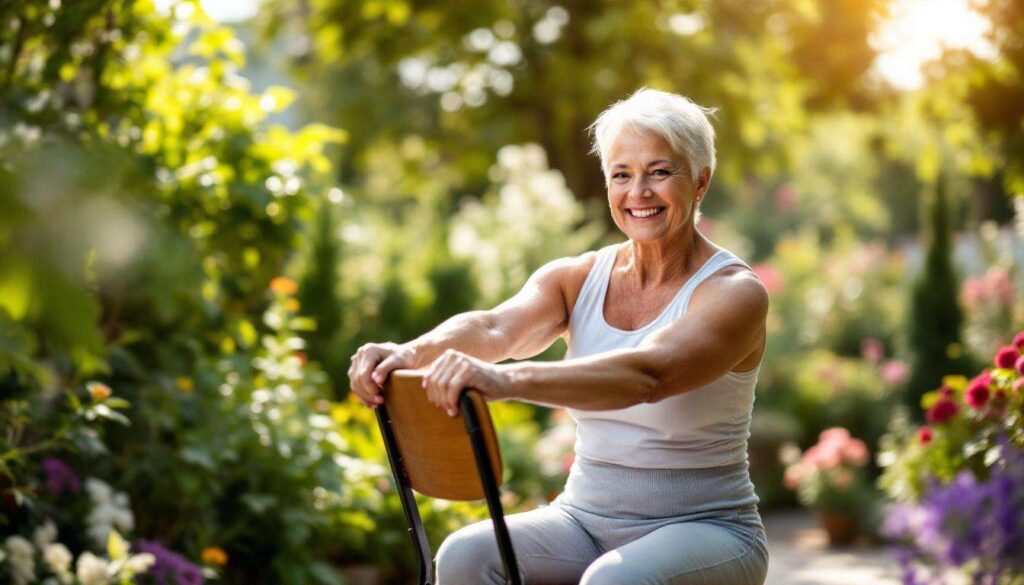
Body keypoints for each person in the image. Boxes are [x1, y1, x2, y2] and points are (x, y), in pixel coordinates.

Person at [347, 88, 769, 585]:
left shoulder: (734, 293)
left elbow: (648, 374)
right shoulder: (576, 277)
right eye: (622, 175)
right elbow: (494, 327)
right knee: (465, 555)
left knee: (613, 582)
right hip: (584, 521)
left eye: (660, 172)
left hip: (708, 529)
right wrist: (408, 352)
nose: (639, 193)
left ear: (700, 181)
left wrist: (505, 381)